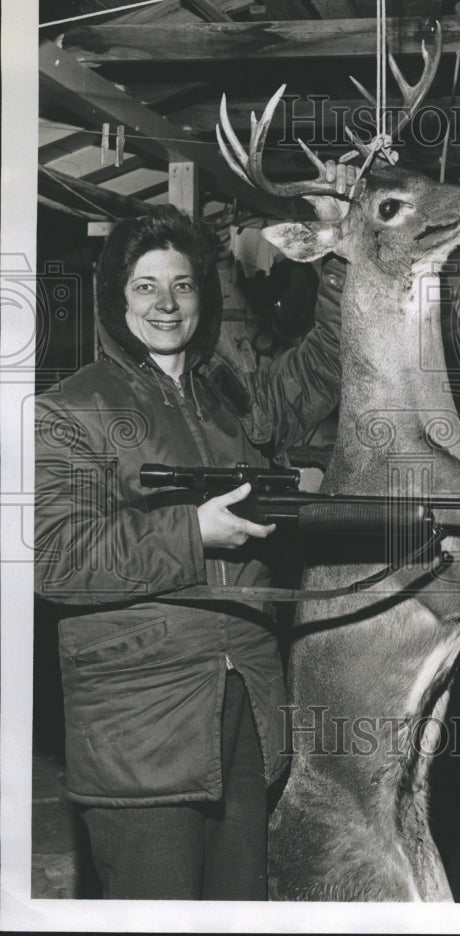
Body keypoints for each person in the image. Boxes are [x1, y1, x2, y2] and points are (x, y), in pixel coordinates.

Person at [34, 200, 347, 900]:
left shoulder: (228, 393)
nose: (167, 304)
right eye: (145, 286)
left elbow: (325, 364)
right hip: (141, 725)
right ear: (117, 297)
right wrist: (192, 532)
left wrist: (345, 254)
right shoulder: (67, 411)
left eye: (183, 284)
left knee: (237, 908)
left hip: (242, 698)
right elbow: (57, 560)